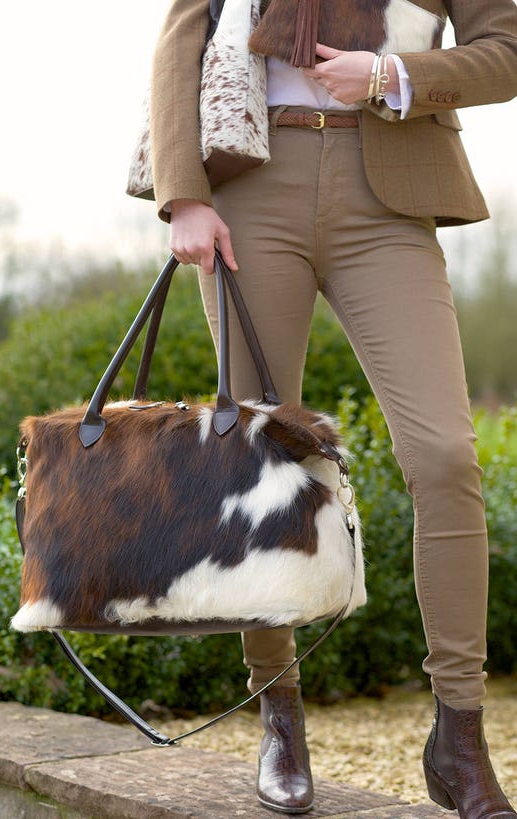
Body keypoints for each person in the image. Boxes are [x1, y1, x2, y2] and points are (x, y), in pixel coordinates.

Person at [128, 0, 517, 816]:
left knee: (446, 457)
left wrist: (393, 74)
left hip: (390, 193)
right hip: (252, 182)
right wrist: (182, 192)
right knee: (261, 460)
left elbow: (506, 46)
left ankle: (460, 733)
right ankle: (279, 711)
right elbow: (182, 38)